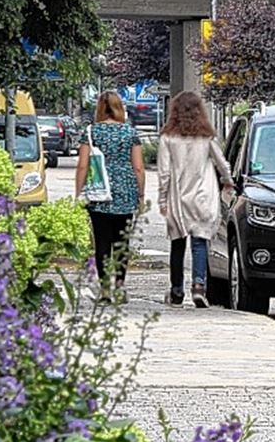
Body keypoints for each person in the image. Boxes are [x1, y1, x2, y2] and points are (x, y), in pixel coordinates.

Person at [158, 92, 233, 307]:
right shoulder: (206, 137)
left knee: (177, 243)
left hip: (177, 198)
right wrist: (228, 181)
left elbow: (164, 173)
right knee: (200, 242)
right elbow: (222, 163)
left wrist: (162, 200)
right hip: (202, 195)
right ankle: (199, 286)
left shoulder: (167, 138)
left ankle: (177, 290)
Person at [75, 91, 145, 302]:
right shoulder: (130, 133)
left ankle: (105, 289)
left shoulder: (91, 132)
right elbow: (139, 167)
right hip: (125, 193)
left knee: (102, 241)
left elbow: (83, 165)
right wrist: (140, 194)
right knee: (121, 242)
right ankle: (120, 287)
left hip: (98, 193)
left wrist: (78, 192)